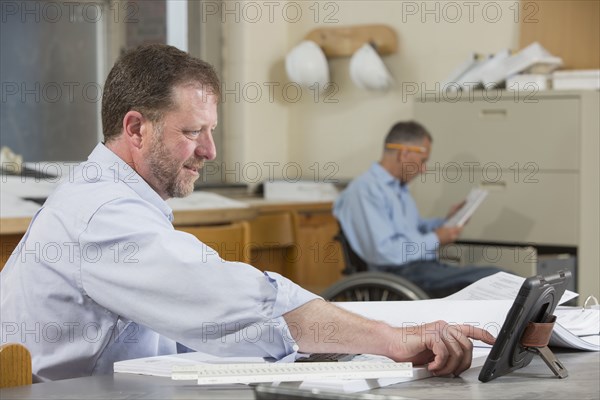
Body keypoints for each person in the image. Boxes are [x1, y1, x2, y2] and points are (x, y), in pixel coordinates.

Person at [0, 45, 494, 382]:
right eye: (193, 131)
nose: (210, 151)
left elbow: (192, 323)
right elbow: (227, 300)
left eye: (211, 131)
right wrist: (390, 339)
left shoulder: (116, 199)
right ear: (135, 129)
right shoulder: (102, 214)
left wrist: (331, 344)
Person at [333, 121, 503, 298]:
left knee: (500, 278)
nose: (423, 169)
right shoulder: (365, 190)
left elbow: (414, 229)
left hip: (422, 269)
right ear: (404, 153)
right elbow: (386, 252)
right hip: (400, 276)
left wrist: (446, 221)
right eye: (423, 161)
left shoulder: (398, 189)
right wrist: (437, 238)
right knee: (494, 281)